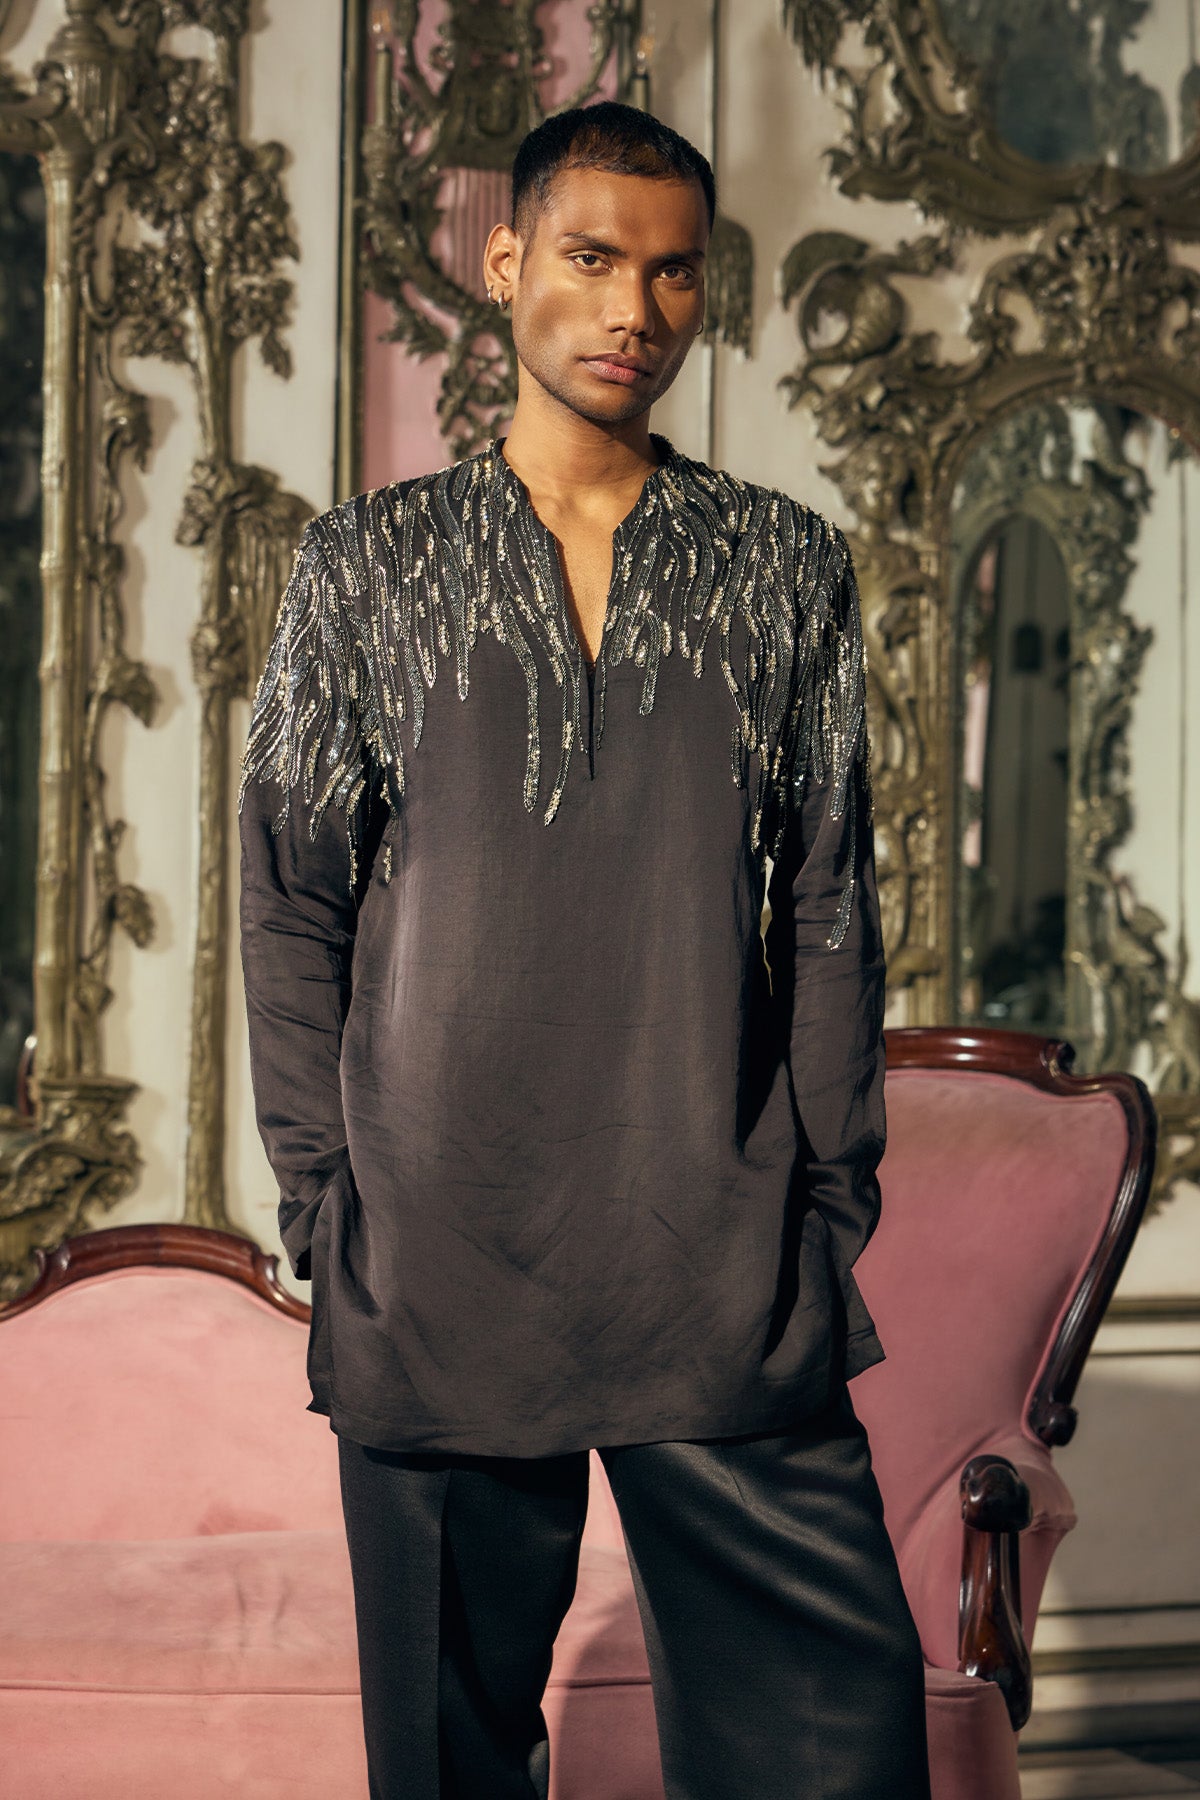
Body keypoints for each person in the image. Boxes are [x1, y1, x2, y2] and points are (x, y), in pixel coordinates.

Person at [238, 100, 930, 1800]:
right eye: (593, 258)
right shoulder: (366, 566)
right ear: (505, 265)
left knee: (828, 1750)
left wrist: (828, 1202)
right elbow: (291, 898)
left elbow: (828, 901)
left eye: (674, 272)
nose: (635, 308)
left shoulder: (785, 567)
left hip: (720, 1255)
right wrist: (330, 1205)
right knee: (450, 1760)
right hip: (437, 1257)